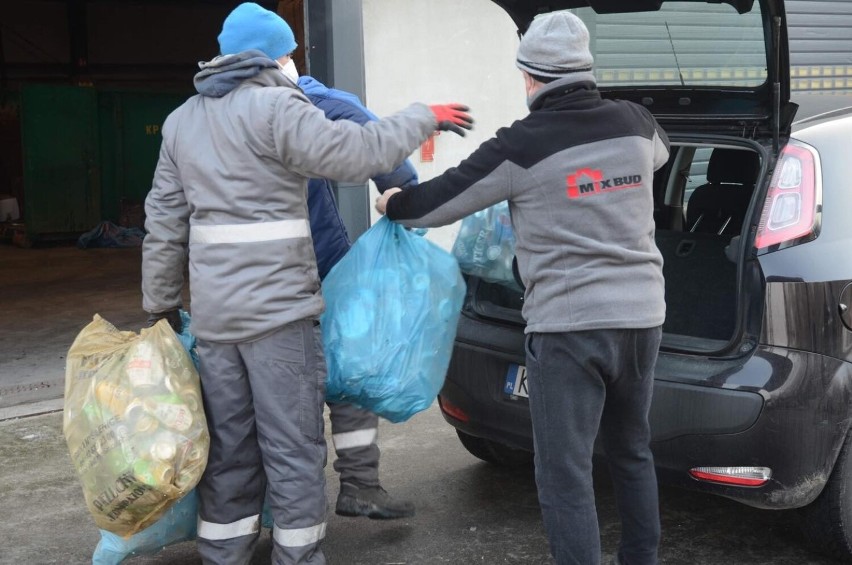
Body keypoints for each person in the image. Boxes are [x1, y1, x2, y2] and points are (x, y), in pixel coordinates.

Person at [141, 3, 472, 564]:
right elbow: (356, 153)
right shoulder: (279, 108)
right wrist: (421, 116)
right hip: (279, 319)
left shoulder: (181, 121)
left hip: (219, 325)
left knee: (229, 451)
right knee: (292, 449)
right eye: (289, 52)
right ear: (272, 55)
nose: (294, 61)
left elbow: (164, 222)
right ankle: (299, 556)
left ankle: (225, 555)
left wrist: (160, 305)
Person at [376, 10, 669, 565]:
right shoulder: (637, 123)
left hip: (569, 329)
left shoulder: (521, 145)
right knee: (632, 451)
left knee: (565, 474)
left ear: (531, 78)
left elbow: (433, 206)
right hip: (642, 319)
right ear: (586, 68)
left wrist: (394, 203)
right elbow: (661, 156)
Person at [298, 73, 419, 520]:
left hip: (237, 287)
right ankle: (349, 489)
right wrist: (402, 188)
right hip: (318, 269)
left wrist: (163, 298)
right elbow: (378, 145)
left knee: (303, 388)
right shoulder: (313, 100)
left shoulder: (202, 116)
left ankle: (303, 500)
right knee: (343, 375)